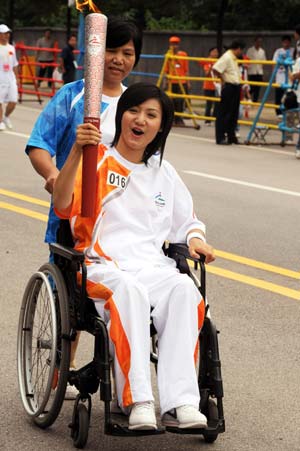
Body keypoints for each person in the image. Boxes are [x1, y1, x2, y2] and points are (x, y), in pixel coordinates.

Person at [53, 82, 215, 430]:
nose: (140, 120)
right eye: (134, 110)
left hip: (152, 267)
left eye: (151, 115)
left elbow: (187, 222)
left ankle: (182, 403)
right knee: (130, 292)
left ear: (161, 126)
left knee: (185, 290)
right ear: (121, 115)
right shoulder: (97, 162)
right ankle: (137, 400)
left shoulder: (163, 173)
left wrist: (196, 240)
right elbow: (63, 204)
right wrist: (77, 153)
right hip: (101, 267)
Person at [26, 16, 142, 398]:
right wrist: (53, 174)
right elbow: (39, 143)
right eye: (111, 50)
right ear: (96, 52)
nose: (119, 59)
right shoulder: (74, 95)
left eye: (127, 53)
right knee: (73, 311)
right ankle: (63, 372)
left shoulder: (136, 106)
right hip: (75, 216)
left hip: (122, 223)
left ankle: (125, 376)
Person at [212, 40, 245, 145]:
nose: (241, 52)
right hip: (229, 86)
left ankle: (231, 135)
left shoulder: (234, 58)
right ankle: (220, 136)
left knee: (233, 113)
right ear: (238, 48)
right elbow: (215, 69)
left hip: (235, 86)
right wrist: (222, 80)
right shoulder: (227, 57)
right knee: (224, 112)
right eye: (241, 50)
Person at [165, 36, 190, 126]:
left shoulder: (183, 55)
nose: (174, 46)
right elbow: (166, 70)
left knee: (180, 101)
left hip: (181, 81)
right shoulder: (168, 55)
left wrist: (188, 81)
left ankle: (179, 119)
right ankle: (171, 119)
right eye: (172, 44)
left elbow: (186, 69)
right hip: (171, 82)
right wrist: (166, 81)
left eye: (176, 44)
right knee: (170, 101)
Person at [0, 24, 18, 131]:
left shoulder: (11, 48)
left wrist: (17, 78)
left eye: (7, 34)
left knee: (13, 101)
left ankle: (6, 117)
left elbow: (15, 64)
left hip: (10, 77)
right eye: (4, 34)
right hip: (0, 76)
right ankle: (0, 121)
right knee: (0, 101)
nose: (6, 36)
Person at [272, 35, 294, 119]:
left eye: (288, 42)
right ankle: (278, 112)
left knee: (289, 95)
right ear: (282, 42)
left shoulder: (293, 51)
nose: (286, 44)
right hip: (280, 76)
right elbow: (274, 64)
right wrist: (274, 75)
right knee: (279, 95)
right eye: (284, 42)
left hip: (289, 76)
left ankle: (289, 112)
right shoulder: (278, 51)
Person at [200, 47, 219, 125]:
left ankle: (215, 118)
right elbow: (206, 74)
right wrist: (211, 66)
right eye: (214, 52)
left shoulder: (218, 61)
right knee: (209, 104)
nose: (215, 53)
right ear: (210, 53)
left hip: (217, 85)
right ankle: (207, 120)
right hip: (208, 86)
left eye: (216, 52)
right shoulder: (207, 61)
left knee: (217, 104)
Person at [246, 36, 266, 103]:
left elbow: (264, 61)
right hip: (252, 71)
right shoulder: (250, 50)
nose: (258, 43)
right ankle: (247, 97)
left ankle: (255, 101)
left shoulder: (262, 51)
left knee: (258, 88)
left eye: (260, 42)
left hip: (259, 72)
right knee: (252, 87)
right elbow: (247, 60)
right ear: (254, 42)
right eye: (257, 41)